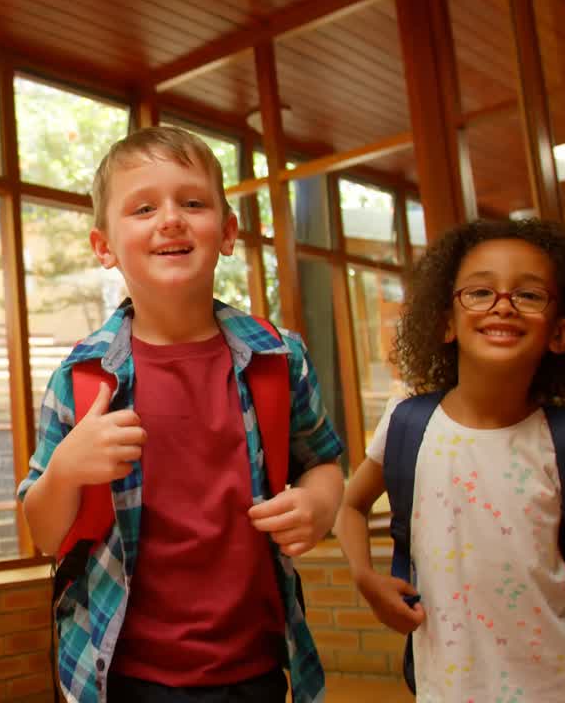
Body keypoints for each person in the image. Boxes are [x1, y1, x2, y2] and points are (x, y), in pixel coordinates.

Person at [19, 126, 345, 703]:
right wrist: (67, 469)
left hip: (257, 668)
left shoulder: (279, 357)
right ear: (104, 247)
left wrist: (318, 505)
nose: (170, 219)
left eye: (192, 203)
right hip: (121, 676)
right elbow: (46, 533)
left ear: (227, 232)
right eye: (143, 208)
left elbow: (324, 464)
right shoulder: (80, 378)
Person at [335, 218, 565, 701]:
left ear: (561, 333)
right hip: (446, 688)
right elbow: (349, 506)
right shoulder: (409, 425)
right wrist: (365, 577)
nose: (503, 305)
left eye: (529, 295)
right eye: (480, 292)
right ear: (446, 320)